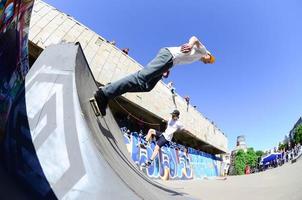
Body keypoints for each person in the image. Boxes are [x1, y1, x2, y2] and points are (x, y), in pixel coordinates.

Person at [94, 36, 215, 116]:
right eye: (209, 60)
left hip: (168, 61)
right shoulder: (203, 52)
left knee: (147, 86)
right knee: (141, 78)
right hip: (168, 57)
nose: (207, 62)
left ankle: (110, 89)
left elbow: (180, 58)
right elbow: (195, 38)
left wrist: (166, 69)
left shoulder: (196, 56)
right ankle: (104, 94)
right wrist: (190, 44)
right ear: (208, 55)